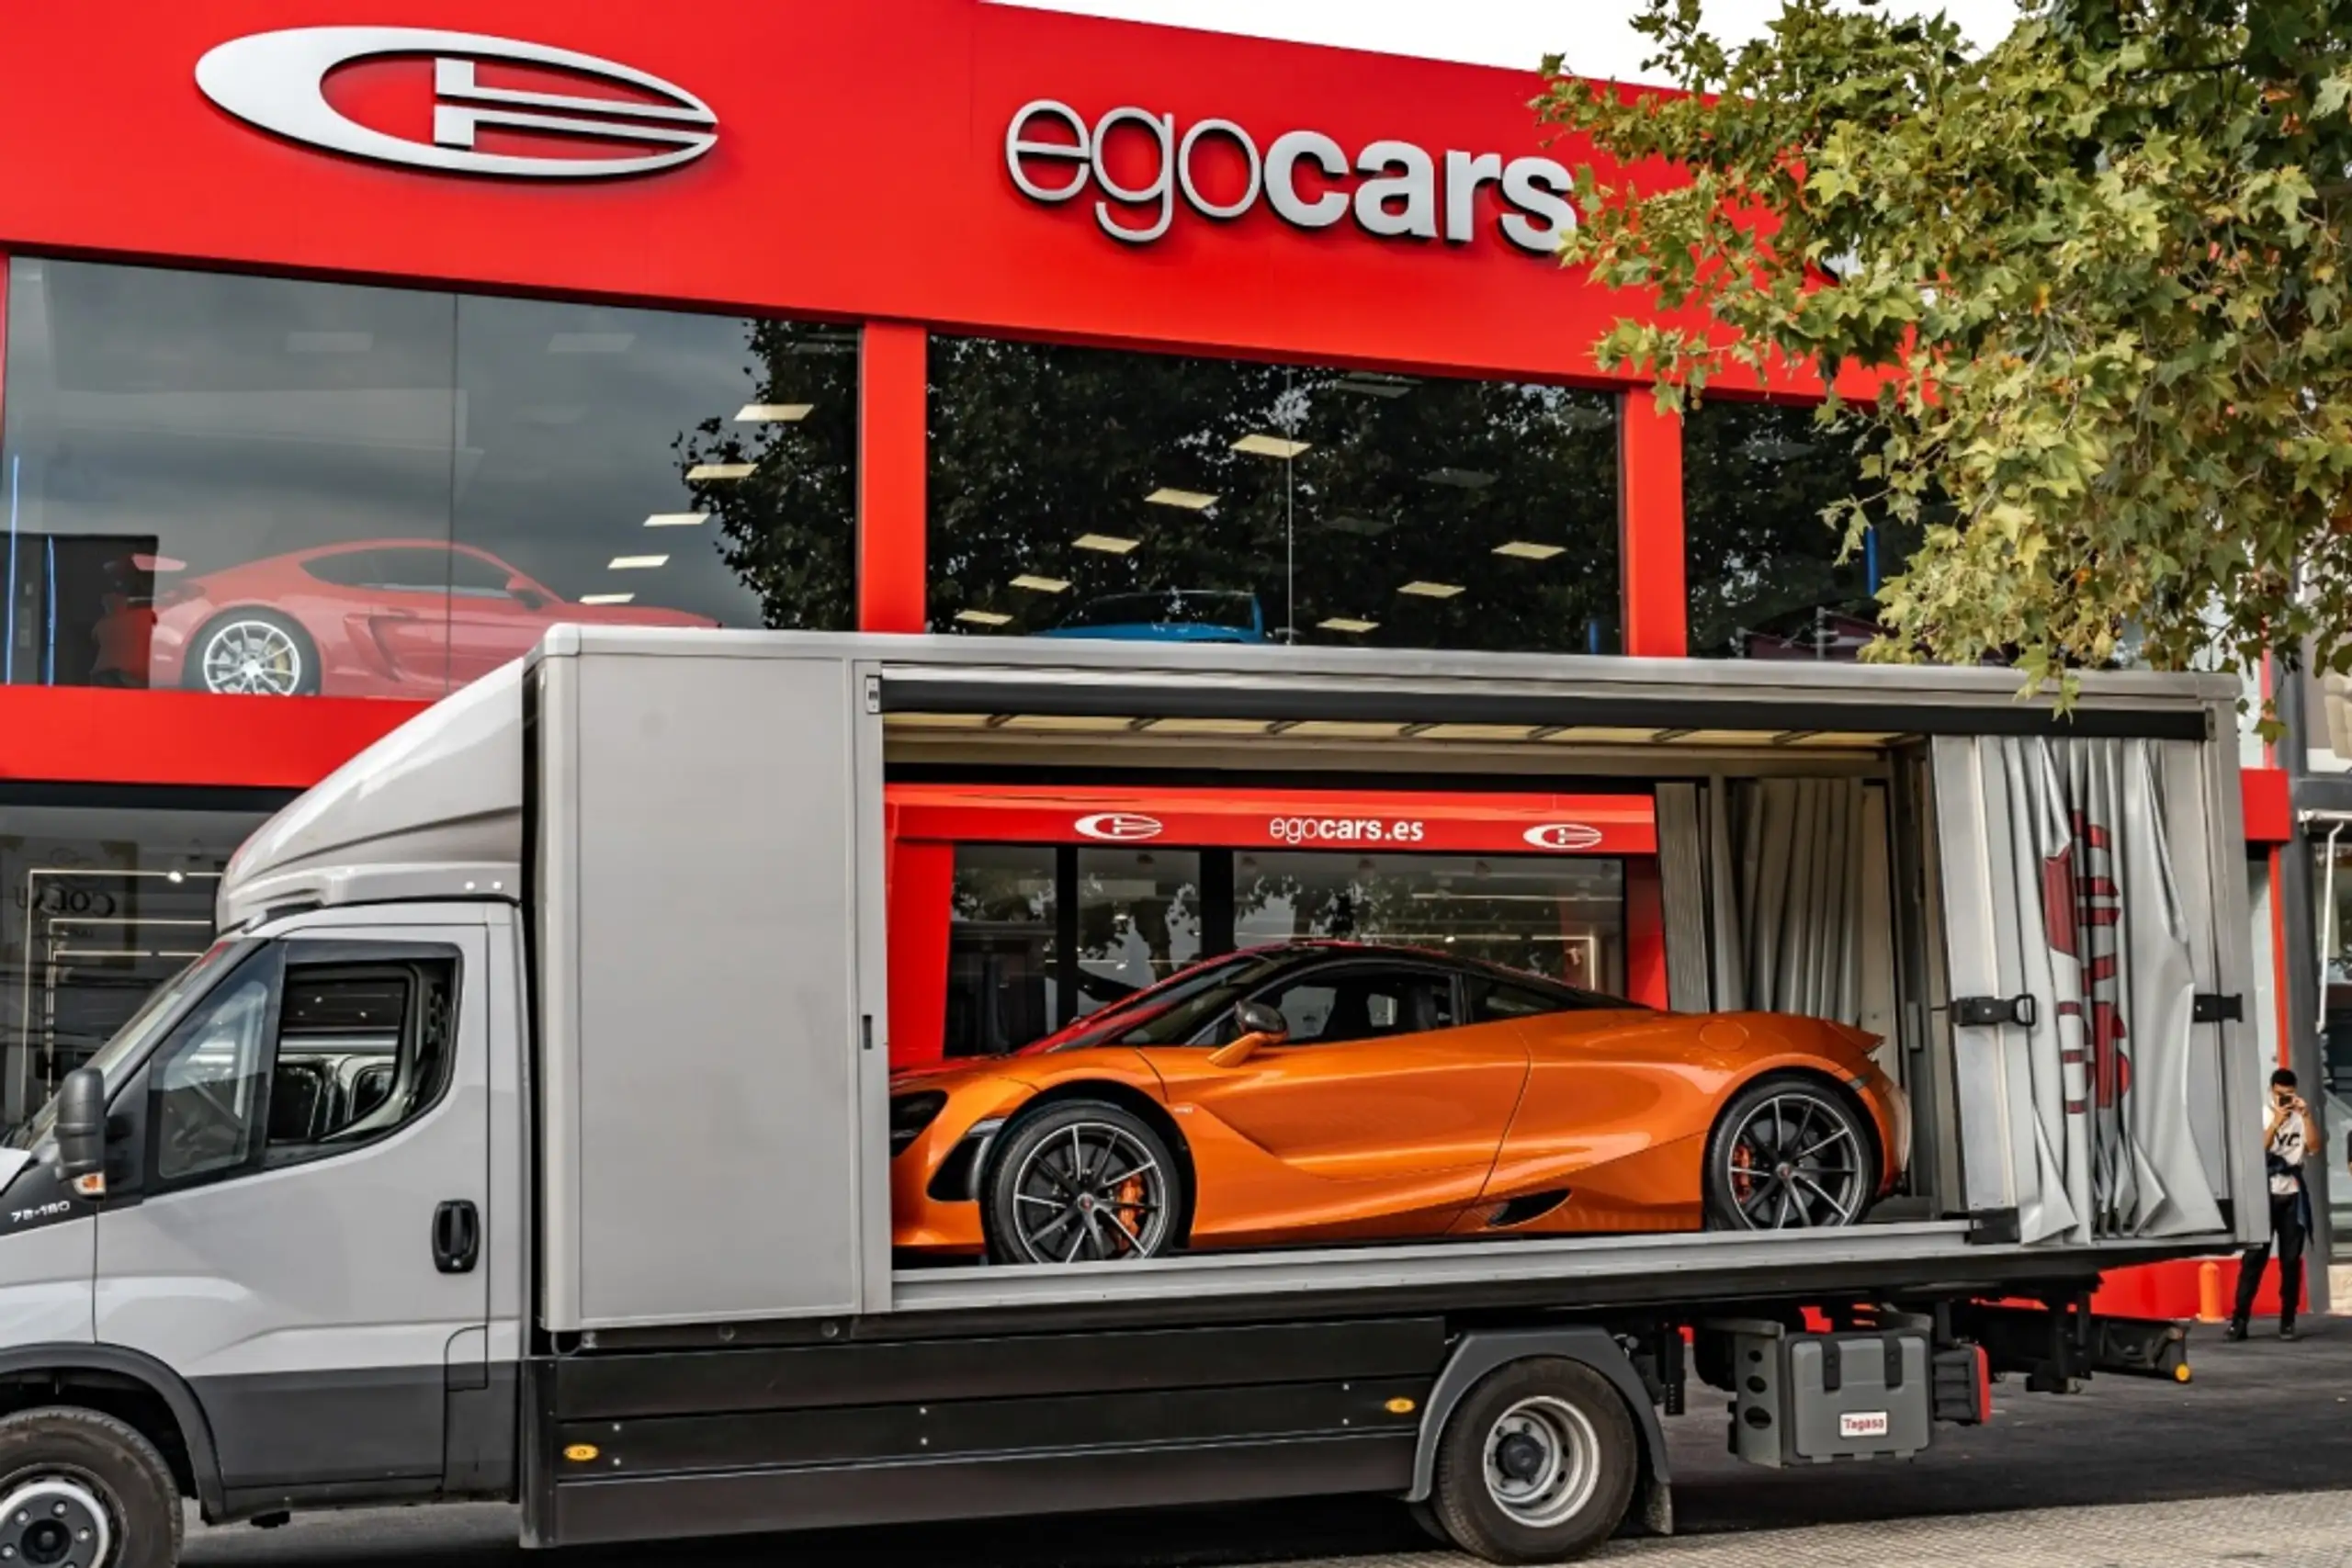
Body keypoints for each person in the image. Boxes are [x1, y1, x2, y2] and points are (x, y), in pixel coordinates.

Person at [2229, 1067, 2317, 1341]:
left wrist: (2305, 1115)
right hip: (2264, 1193)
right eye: (2280, 1096)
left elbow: (2314, 1147)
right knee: (2254, 1259)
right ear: (2271, 1091)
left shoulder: (2301, 1115)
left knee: (2291, 1261)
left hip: (2292, 1193)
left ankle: (2288, 1319)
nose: (2285, 1101)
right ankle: (2239, 1319)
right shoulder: (2263, 1114)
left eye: (2289, 1096)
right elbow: (2256, 1149)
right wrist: (2277, 1122)